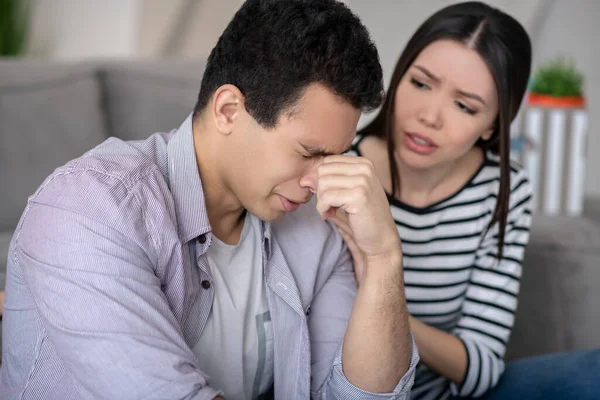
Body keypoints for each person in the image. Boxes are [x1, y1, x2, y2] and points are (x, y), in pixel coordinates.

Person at [0, 1, 419, 399]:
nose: (318, 181)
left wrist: (384, 257)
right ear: (229, 110)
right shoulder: (91, 207)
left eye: (334, 156)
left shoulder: (316, 226)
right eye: (309, 153)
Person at [333, 2, 600, 399]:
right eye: (420, 83)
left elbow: (482, 365)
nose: (430, 116)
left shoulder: (501, 189)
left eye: (464, 106)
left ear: (492, 123)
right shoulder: (341, 172)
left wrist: (384, 296)